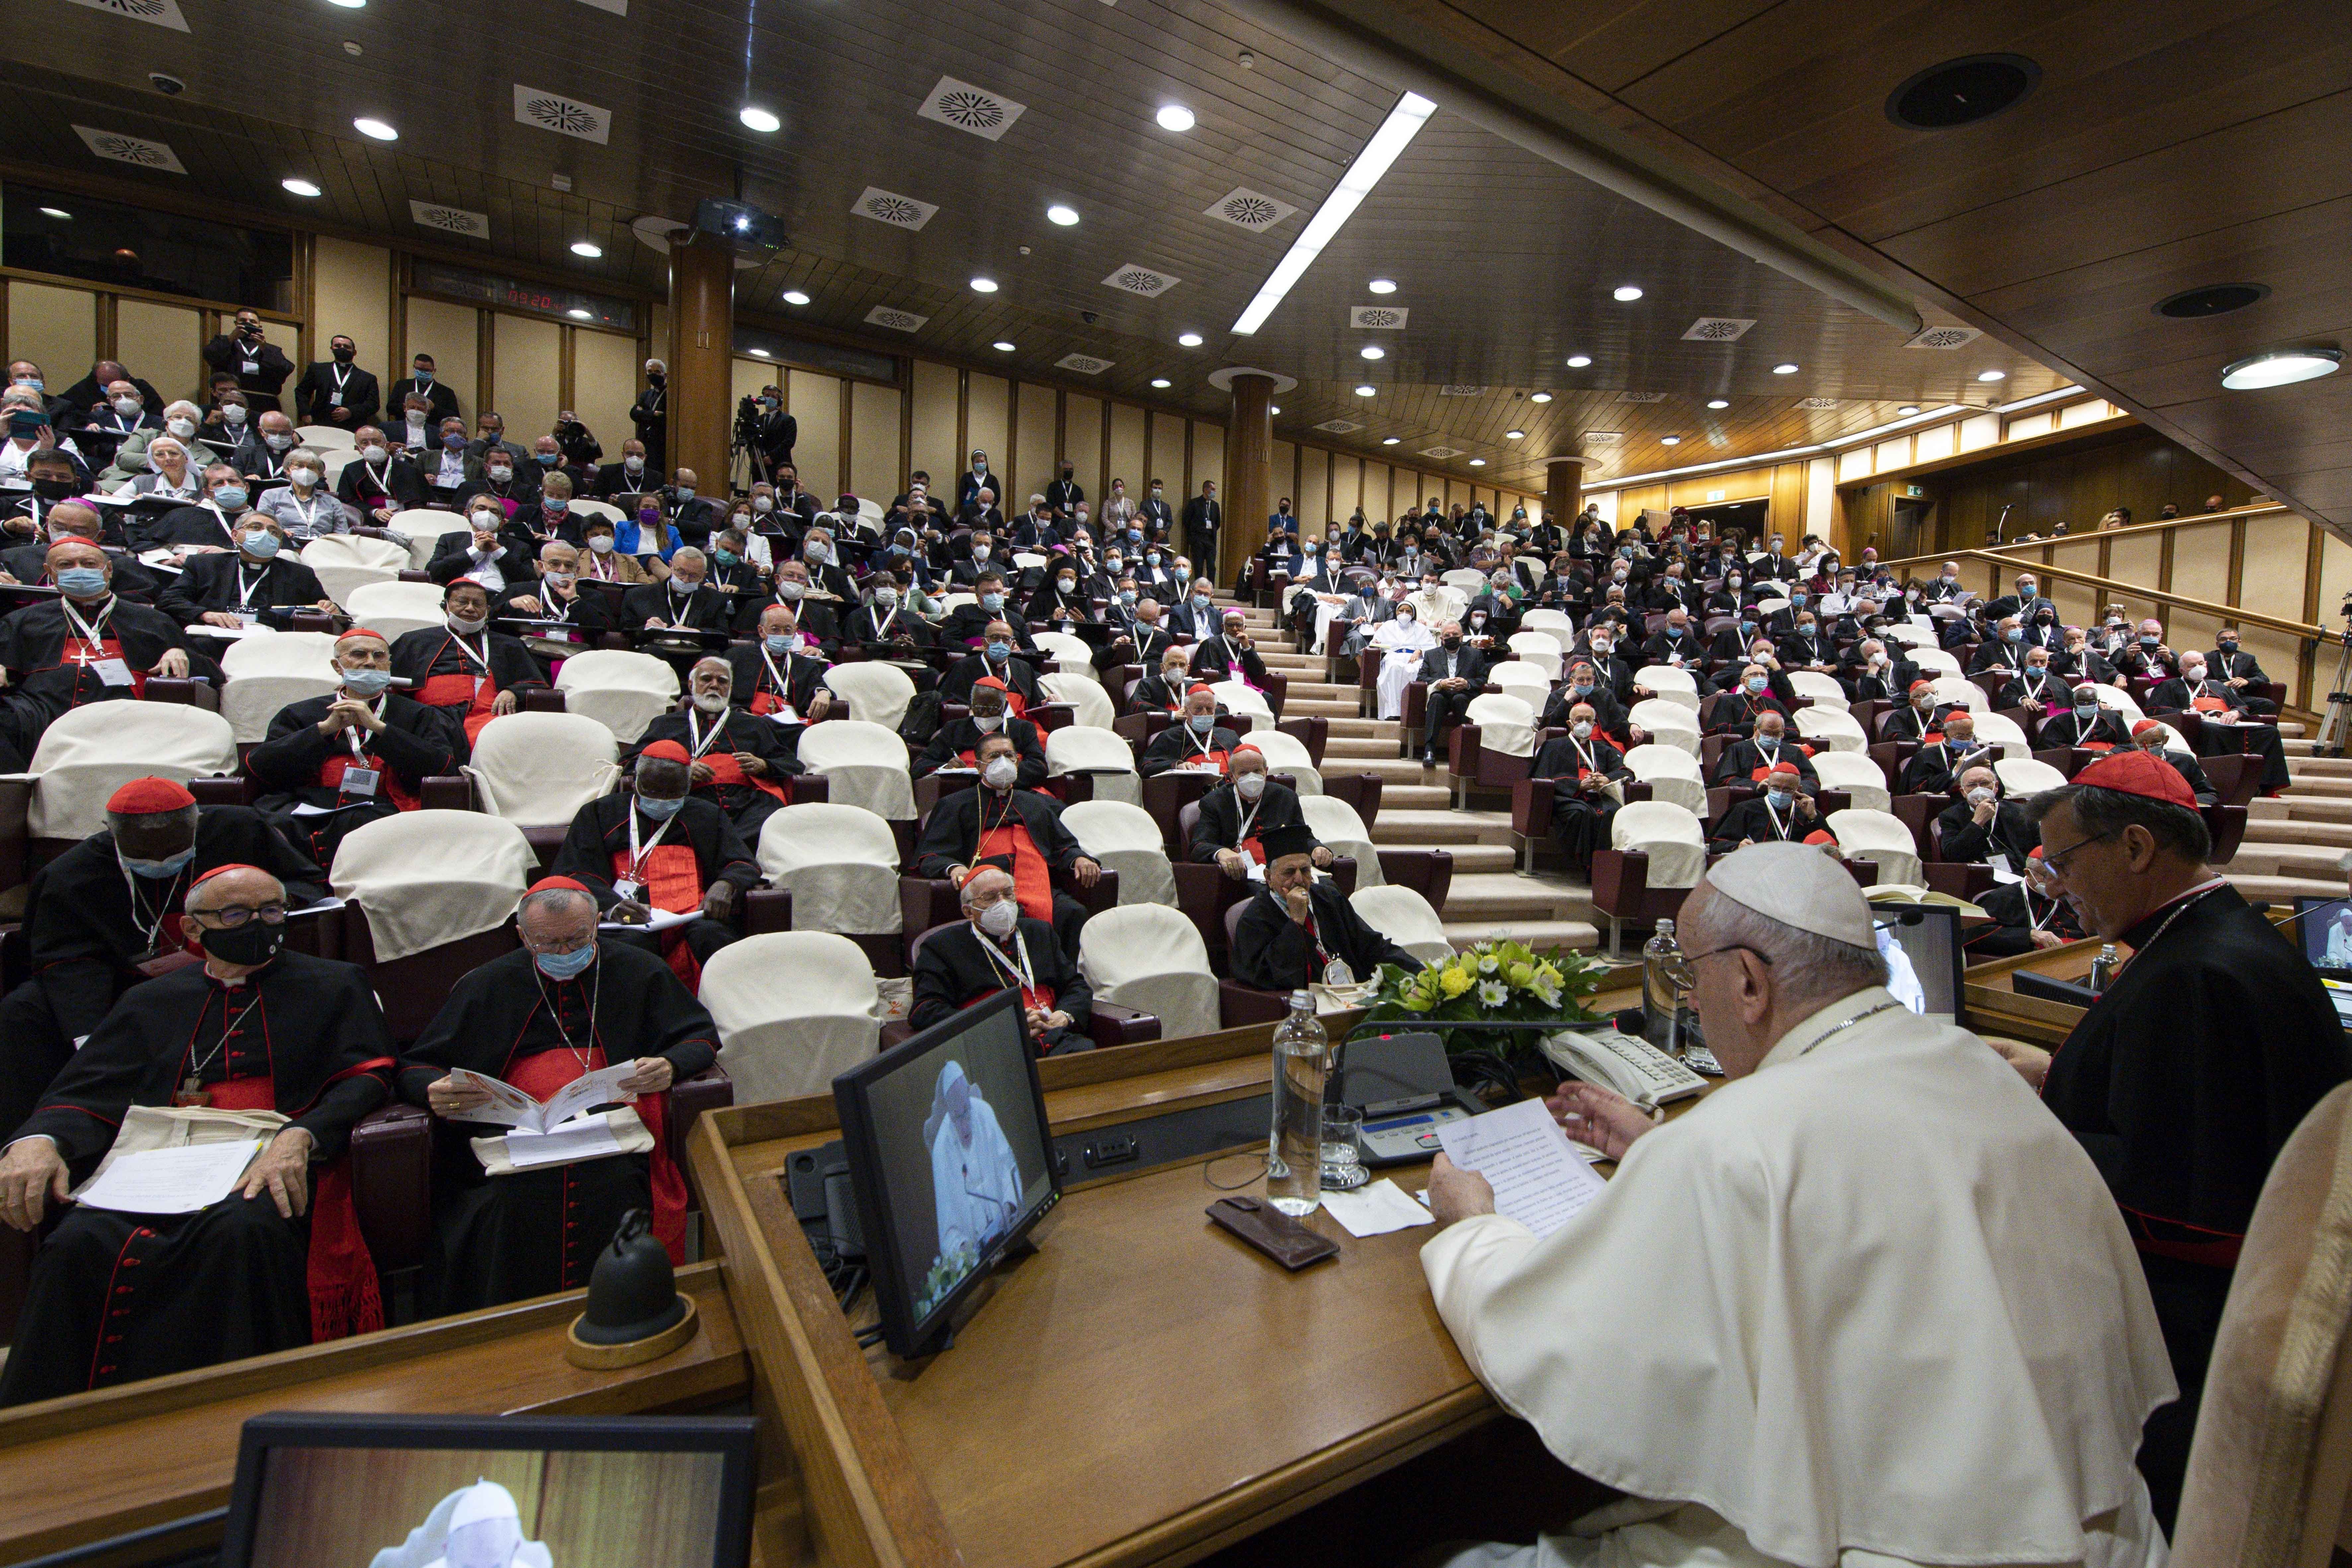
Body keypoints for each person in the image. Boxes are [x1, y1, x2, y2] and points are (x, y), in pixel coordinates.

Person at [1421, 843, 2175, 1568]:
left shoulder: (1732, 1141)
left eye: (1692, 973)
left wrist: (1473, 1228)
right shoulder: (1974, 1068)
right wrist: (1658, 1149)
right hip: (2105, 1531)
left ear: (1749, 982)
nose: (1692, 996)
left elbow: (1551, 1342)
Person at [1998, 751, 2351, 1527]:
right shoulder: (2213, 938)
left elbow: (2173, 1200)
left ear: (2133, 847)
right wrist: (2051, 1079)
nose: (2055, 884)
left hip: (2190, 1345)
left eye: (2063, 862)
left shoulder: (2196, 976)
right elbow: (2172, 1113)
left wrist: (2003, 1126)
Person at [0, 864, 395, 1405]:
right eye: (236, 914)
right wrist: (39, 1139)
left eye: (272, 912)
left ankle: (232, 1408)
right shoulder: (151, 1000)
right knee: (77, 1241)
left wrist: (301, 1136)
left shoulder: (332, 985)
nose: (259, 925)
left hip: (264, 1157)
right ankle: (54, 1420)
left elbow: (368, 1077)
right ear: (191, 929)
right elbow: (87, 1092)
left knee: (240, 1232)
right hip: (158, 1160)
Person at [401, 879, 718, 1313]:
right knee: (501, 1203)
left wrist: (671, 1064)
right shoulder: (487, 983)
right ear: (521, 937)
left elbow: (699, 1036)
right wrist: (433, 1089)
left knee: (618, 1185)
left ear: (596, 926)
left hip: (615, 1123)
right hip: (512, 1132)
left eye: (577, 940)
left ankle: (625, 1312)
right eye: (548, 943)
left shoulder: (638, 969)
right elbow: (418, 1065)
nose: (566, 954)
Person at [0, 778, 326, 1137]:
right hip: (122, 984)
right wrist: (90, 1037)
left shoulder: (240, 830)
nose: (161, 861)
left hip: (237, 965)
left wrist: (246, 922)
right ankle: (34, 1136)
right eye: (144, 854)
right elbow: (65, 958)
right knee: (21, 1011)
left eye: (173, 850)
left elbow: (305, 886)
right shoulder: (72, 875)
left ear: (197, 822)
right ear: (112, 833)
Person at [549, 742, 758, 987]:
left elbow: (742, 862)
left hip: (692, 918)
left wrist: (727, 883)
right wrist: (612, 906)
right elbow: (574, 871)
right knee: (620, 952)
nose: (661, 800)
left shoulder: (707, 814)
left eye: (673, 793)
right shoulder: (598, 814)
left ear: (688, 786)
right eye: (652, 790)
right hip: (626, 919)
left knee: (714, 940)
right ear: (636, 780)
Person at [248, 628, 464, 863]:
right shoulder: (300, 712)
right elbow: (259, 768)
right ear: (337, 666)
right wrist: (323, 730)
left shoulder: (419, 714)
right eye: (359, 654)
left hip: (384, 807)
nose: (371, 663)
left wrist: (380, 728)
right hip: (309, 805)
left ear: (389, 664)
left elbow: (443, 768)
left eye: (379, 656)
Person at [913, 733, 1103, 958]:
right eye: (994, 756)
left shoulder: (1035, 803)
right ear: (979, 766)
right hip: (990, 890)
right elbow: (931, 854)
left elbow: (1063, 845)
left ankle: (1065, 981)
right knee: (1012, 915)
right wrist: (954, 868)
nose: (1002, 761)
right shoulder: (955, 804)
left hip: (1037, 885)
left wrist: (1079, 858)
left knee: (1073, 912)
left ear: (1017, 762)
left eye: (1009, 755)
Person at [910, 869, 1095, 1055]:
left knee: (1088, 1058)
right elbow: (924, 1010)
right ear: (969, 912)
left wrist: (1063, 1016)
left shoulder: (1040, 932)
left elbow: (1076, 986)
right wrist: (1001, 1024)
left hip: (1055, 1038)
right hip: (992, 1046)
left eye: (1008, 894)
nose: (1003, 903)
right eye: (990, 897)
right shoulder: (941, 946)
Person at [623, 658, 798, 840]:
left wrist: (763, 765)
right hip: (691, 801)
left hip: (751, 807)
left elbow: (791, 764)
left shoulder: (754, 724)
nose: (714, 686)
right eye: (706, 679)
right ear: (691, 685)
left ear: (730, 688)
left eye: (722, 681)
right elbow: (631, 764)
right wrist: (681, 772)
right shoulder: (666, 724)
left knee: (770, 824)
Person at [1231, 824, 1421, 990]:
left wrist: (1420, 974)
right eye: (1289, 872)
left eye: (1305, 871)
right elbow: (1272, 978)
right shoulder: (1254, 920)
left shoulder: (1329, 898)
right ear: (1269, 878)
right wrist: (1296, 923)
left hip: (1351, 993)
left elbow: (1372, 946)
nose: (1299, 879)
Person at [157, 513, 337, 629]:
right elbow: (168, 600)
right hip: (214, 637)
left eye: (274, 532)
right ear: (235, 535)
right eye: (256, 528)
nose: (265, 534)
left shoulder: (300, 574)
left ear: (280, 544)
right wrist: (205, 614)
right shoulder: (204, 565)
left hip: (272, 643)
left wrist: (330, 608)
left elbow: (326, 611)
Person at [1188, 744, 1330, 878]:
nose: (1252, 777)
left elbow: (1302, 837)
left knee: (1328, 890)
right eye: (1244, 773)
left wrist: (1317, 848)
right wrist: (1220, 852)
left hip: (1285, 869)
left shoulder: (1285, 796)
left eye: (1257, 771)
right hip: (1244, 875)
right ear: (1232, 777)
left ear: (1266, 771)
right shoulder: (1214, 802)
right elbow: (1199, 846)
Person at [1531, 705, 1631, 876]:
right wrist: (1578, 786)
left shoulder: (1604, 750)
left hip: (1599, 797)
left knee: (1614, 811)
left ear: (1594, 724)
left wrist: (1606, 779)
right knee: (1580, 813)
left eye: (1589, 720)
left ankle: (1604, 870)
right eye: (1579, 720)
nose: (1584, 724)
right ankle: (1586, 865)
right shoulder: (1553, 746)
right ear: (1570, 723)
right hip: (1567, 797)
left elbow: (1625, 772)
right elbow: (1540, 778)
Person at [916, 676, 1046, 789]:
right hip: (965, 792)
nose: (985, 714)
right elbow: (920, 764)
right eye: (979, 708)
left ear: (1005, 707)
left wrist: (1001, 773)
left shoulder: (1023, 729)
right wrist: (946, 767)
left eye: (992, 708)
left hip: (1014, 790)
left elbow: (1039, 767)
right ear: (971, 705)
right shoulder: (954, 728)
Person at [1967, 846, 2086, 956]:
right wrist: (2029, 935)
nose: (2054, 883)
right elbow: (1974, 935)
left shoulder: (2070, 895)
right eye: (2047, 876)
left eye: (2058, 876)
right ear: (2028, 873)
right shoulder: (2001, 898)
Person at [1412, 620, 1493, 767]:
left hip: (1463, 695)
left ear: (1462, 637)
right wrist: (1440, 683)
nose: (1451, 637)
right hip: (1442, 694)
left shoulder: (1475, 655)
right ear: (1442, 639)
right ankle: (1429, 750)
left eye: (1455, 635)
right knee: (1436, 698)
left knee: (1460, 699)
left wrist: (1467, 684)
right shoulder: (1432, 655)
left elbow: (1484, 679)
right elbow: (1422, 678)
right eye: (1447, 635)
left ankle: (1466, 751)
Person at [1708, 760, 1828, 853]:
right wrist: (1738, 846)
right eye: (1775, 788)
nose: (1780, 793)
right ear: (1768, 785)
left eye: (1787, 790)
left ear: (1799, 790)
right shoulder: (1745, 809)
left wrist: (1813, 817)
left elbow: (1831, 847)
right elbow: (1716, 845)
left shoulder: (1806, 811)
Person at [1936, 764, 2040, 867]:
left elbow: (2041, 847)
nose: (1979, 789)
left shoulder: (2022, 811)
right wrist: (1978, 822)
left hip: (2021, 871)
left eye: (1985, 783)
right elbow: (1953, 854)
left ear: (1996, 787)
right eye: (1972, 785)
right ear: (1963, 792)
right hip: (1980, 873)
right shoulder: (1950, 816)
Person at [200, 308, 295, 412]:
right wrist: (232, 337)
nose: (248, 324)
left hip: (266, 403)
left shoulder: (272, 349)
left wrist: (265, 349)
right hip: (231, 401)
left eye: (253, 322)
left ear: (260, 326)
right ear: (236, 324)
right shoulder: (226, 342)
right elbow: (210, 355)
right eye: (243, 321)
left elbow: (285, 369)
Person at [1141, 685, 1243, 776]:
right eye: (1199, 709)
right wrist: (1177, 765)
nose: (1205, 714)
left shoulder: (1229, 735)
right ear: (1186, 712)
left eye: (1209, 709)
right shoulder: (1170, 736)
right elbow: (1146, 768)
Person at [336, 425, 429, 523]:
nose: (371, 446)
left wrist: (406, 518)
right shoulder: (351, 470)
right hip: (368, 519)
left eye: (376, 442)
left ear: (387, 445)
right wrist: (374, 512)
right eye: (364, 443)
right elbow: (347, 501)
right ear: (358, 449)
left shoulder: (408, 469)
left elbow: (420, 501)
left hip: (405, 518)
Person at [293, 333, 379, 430]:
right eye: (338, 346)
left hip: (352, 427)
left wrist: (351, 412)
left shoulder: (368, 378)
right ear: (332, 349)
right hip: (320, 424)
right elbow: (302, 392)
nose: (342, 348)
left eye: (347, 347)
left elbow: (373, 405)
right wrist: (305, 413)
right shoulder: (318, 370)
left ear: (354, 352)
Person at [1710, 710, 1816, 789]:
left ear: (1783, 733)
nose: (1772, 737)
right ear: (1756, 730)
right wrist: (1757, 786)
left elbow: (1813, 780)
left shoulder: (1794, 752)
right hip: (1751, 800)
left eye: (1777, 734)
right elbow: (1724, 780)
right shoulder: (1737, 749)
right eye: (1767, 733)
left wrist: (1795, 791)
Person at [386, 351, 460, 429]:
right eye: (420, 369)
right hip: (404, 430)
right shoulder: (402, 385)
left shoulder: (446, 392)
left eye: (427, 371)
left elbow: (455, 417)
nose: (423, 373)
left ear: (434, 371)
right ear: (414, 368)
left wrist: (434, 408)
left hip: (432, 432)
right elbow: (390, 408)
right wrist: (409, 407)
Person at [630, 359, 668, 473]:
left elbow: (664, 418)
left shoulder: (670, 394)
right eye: (650, 372)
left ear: (665, 375)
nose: (653, 375)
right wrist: (653, 414)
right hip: (643, 442)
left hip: (660, 446)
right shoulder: (646, 394)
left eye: (657, 372)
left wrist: (644, 414)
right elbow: (634, 414)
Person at [1181, 478, 1220, 578]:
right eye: (1213, 489)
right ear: (1206, 490)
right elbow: (1186, 520)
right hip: (1198, 540)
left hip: (1210, 540)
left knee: (1212, 567)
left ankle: (1211, 589)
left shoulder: (1215, 506)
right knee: (1198, 567)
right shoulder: (1194, 503)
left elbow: (1218, 523)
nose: (1215, 492)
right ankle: (1198, 587)